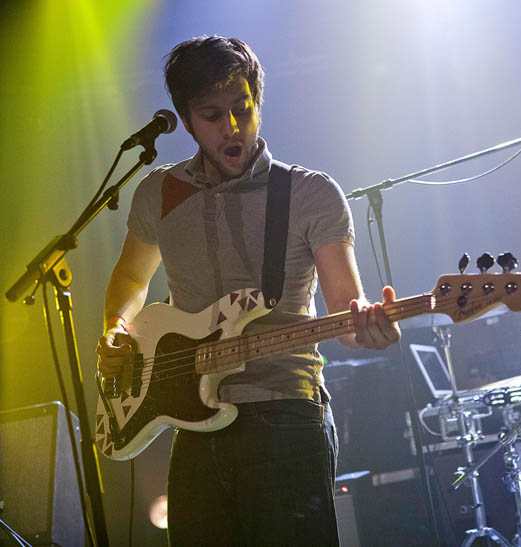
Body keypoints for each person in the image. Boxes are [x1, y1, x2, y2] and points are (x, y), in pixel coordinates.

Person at [95, 36, 401, 546]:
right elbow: (130, 279)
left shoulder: (309, 193)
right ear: (186, 120)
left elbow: (347, 315)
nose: (232, 127)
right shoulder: (159, 192)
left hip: (285, 413)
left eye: (243, 108)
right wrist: (116, 327)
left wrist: (368, 327)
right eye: (212, 115)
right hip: (192, 423)